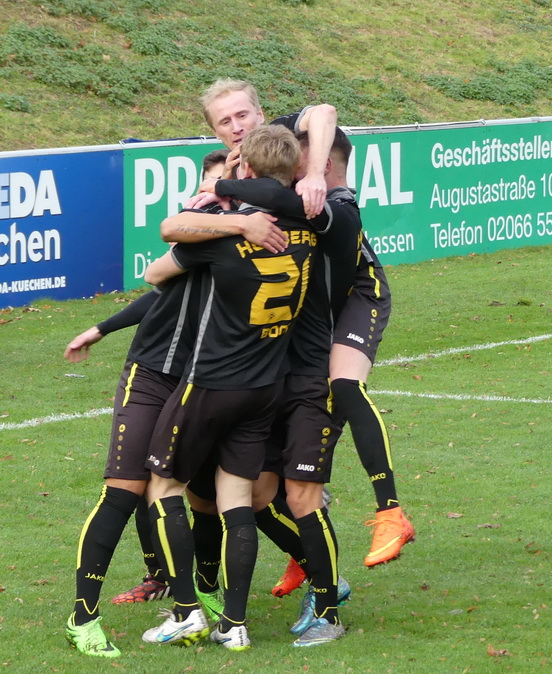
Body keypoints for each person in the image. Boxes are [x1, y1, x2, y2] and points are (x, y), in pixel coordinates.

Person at [62, 148, 287, 657]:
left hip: (206, 381)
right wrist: (102, 327)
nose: (214, 196)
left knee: (205, 496)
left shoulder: (244, 242)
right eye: (208, 187)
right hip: (153, 375)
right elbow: (158, 285)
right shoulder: (206, 233)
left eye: (225, 187)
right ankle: (83, 617)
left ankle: (196, 599)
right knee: (125, 491)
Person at [196, 80, 414, 572]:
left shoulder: (285, 153)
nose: (237, 126)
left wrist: (312, 173)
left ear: (261, 113)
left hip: (352, 293)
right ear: (213, 131)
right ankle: (304, 551)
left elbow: (326, 111)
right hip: (297, 314)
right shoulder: (236, 170)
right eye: (225, 121)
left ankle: (389, 511)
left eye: (243, 115)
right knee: (269, 448)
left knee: (343, 384)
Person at [140, 124, 321, 651]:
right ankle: (234, 625)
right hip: (265, 386)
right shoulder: (308, 229)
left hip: (212, 382)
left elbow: (157, 269)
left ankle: (186, 612)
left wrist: (223, 217)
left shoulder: (226, 237)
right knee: (237, 500)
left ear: (246, 169)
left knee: (163, 487)